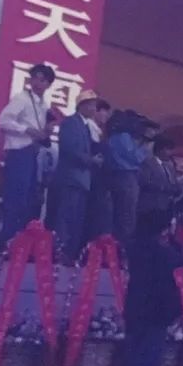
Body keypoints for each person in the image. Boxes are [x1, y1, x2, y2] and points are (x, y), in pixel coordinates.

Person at [114, 209, 183, 366]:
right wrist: (173, 238)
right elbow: (180, 259)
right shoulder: (163, 252)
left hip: (135, 311)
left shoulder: (134, 247)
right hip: (155, 313)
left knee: (133, 359)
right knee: (148, 363)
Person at [0, 63, 55, 242]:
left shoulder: (43, 105)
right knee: (15, 197)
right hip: (19, 153)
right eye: (34, 78)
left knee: (28, 199)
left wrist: (46, 131)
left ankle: (18, 241)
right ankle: (7, 238)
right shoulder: (22, 98)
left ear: (48, 84)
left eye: (42, 80)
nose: (37, 83)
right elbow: (2, 121)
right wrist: (26, 130)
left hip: (32, 153)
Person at [52, 90, 103, 262]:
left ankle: (70, 255)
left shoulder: (87, 125)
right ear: (82, 105)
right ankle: (61, 255)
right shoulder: (71, 123)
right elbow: (70, 149)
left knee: (76, 220)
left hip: (82, 181)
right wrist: (91, 160)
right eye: (91, 105)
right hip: (70, 179)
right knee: (66, 219)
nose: (94, 109)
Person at [106, 111, 148, 244]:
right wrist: (145, 148)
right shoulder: (124, 137)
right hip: (127, 177)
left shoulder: (112, 137)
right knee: (127, 217)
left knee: (117, 216)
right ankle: (123, 251)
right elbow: (135, 157)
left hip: (114, 176)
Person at [85, 99, 113, 241]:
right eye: (104, 113)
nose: (106, 117)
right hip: (90, 175)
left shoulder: (100, 131)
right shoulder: (88, 127)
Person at [137, 135, 181, 217]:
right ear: (160, 150)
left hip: (166, 208)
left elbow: (174, 183)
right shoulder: (148, 163)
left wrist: (178, 188)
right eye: (168, 149)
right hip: (150, 208)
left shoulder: (169, 166)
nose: (171, 153)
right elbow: (144, 182)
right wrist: (164, 188)